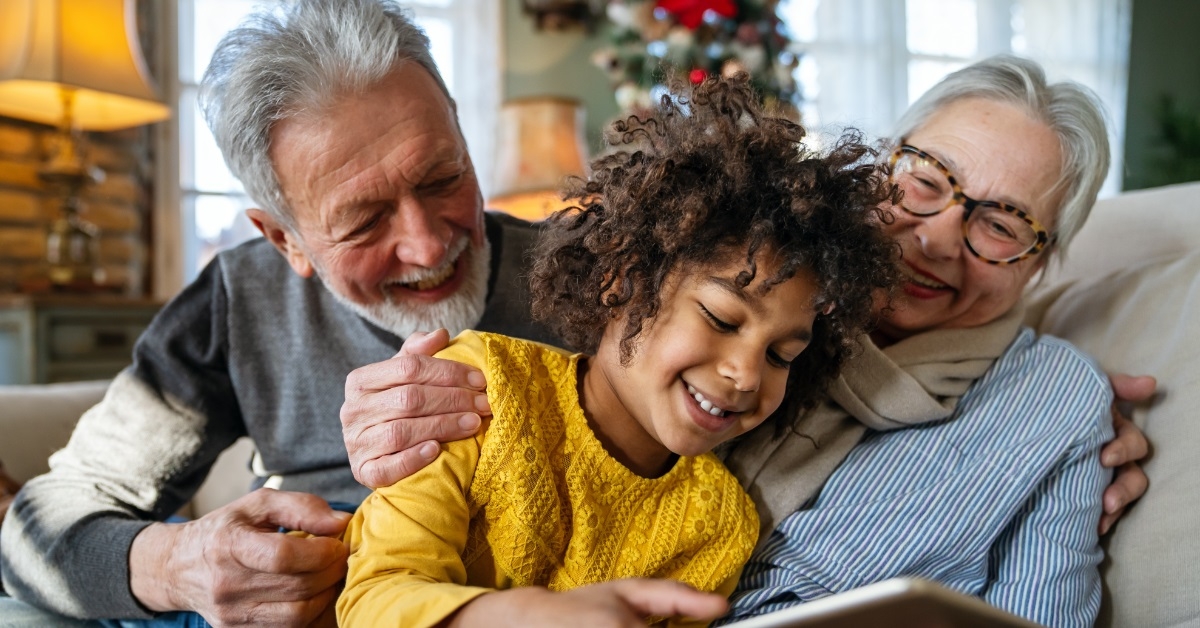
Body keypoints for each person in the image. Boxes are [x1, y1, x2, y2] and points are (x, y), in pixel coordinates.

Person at [0, 0, 1149, 624]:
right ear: (280, 236)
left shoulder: (606, 277)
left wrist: (1057, 416)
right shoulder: (232, 307)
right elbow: (48, 518)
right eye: (360, 222)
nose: (428, 238)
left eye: (443, 175)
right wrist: (181, 562)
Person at [340, 56, 1155, 628]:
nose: (940, 238)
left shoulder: (1055, 406)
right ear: (878, 173)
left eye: (1002, 224)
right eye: (926, 182)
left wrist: (1076, 417)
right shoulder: (725, 283)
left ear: (1041, 262)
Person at [335, 75, 900, 627]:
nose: (747, 374)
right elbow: (373, 600)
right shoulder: (480, 387)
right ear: (621, 283)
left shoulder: (719, 525)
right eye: (721, 319)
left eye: (781, 355)